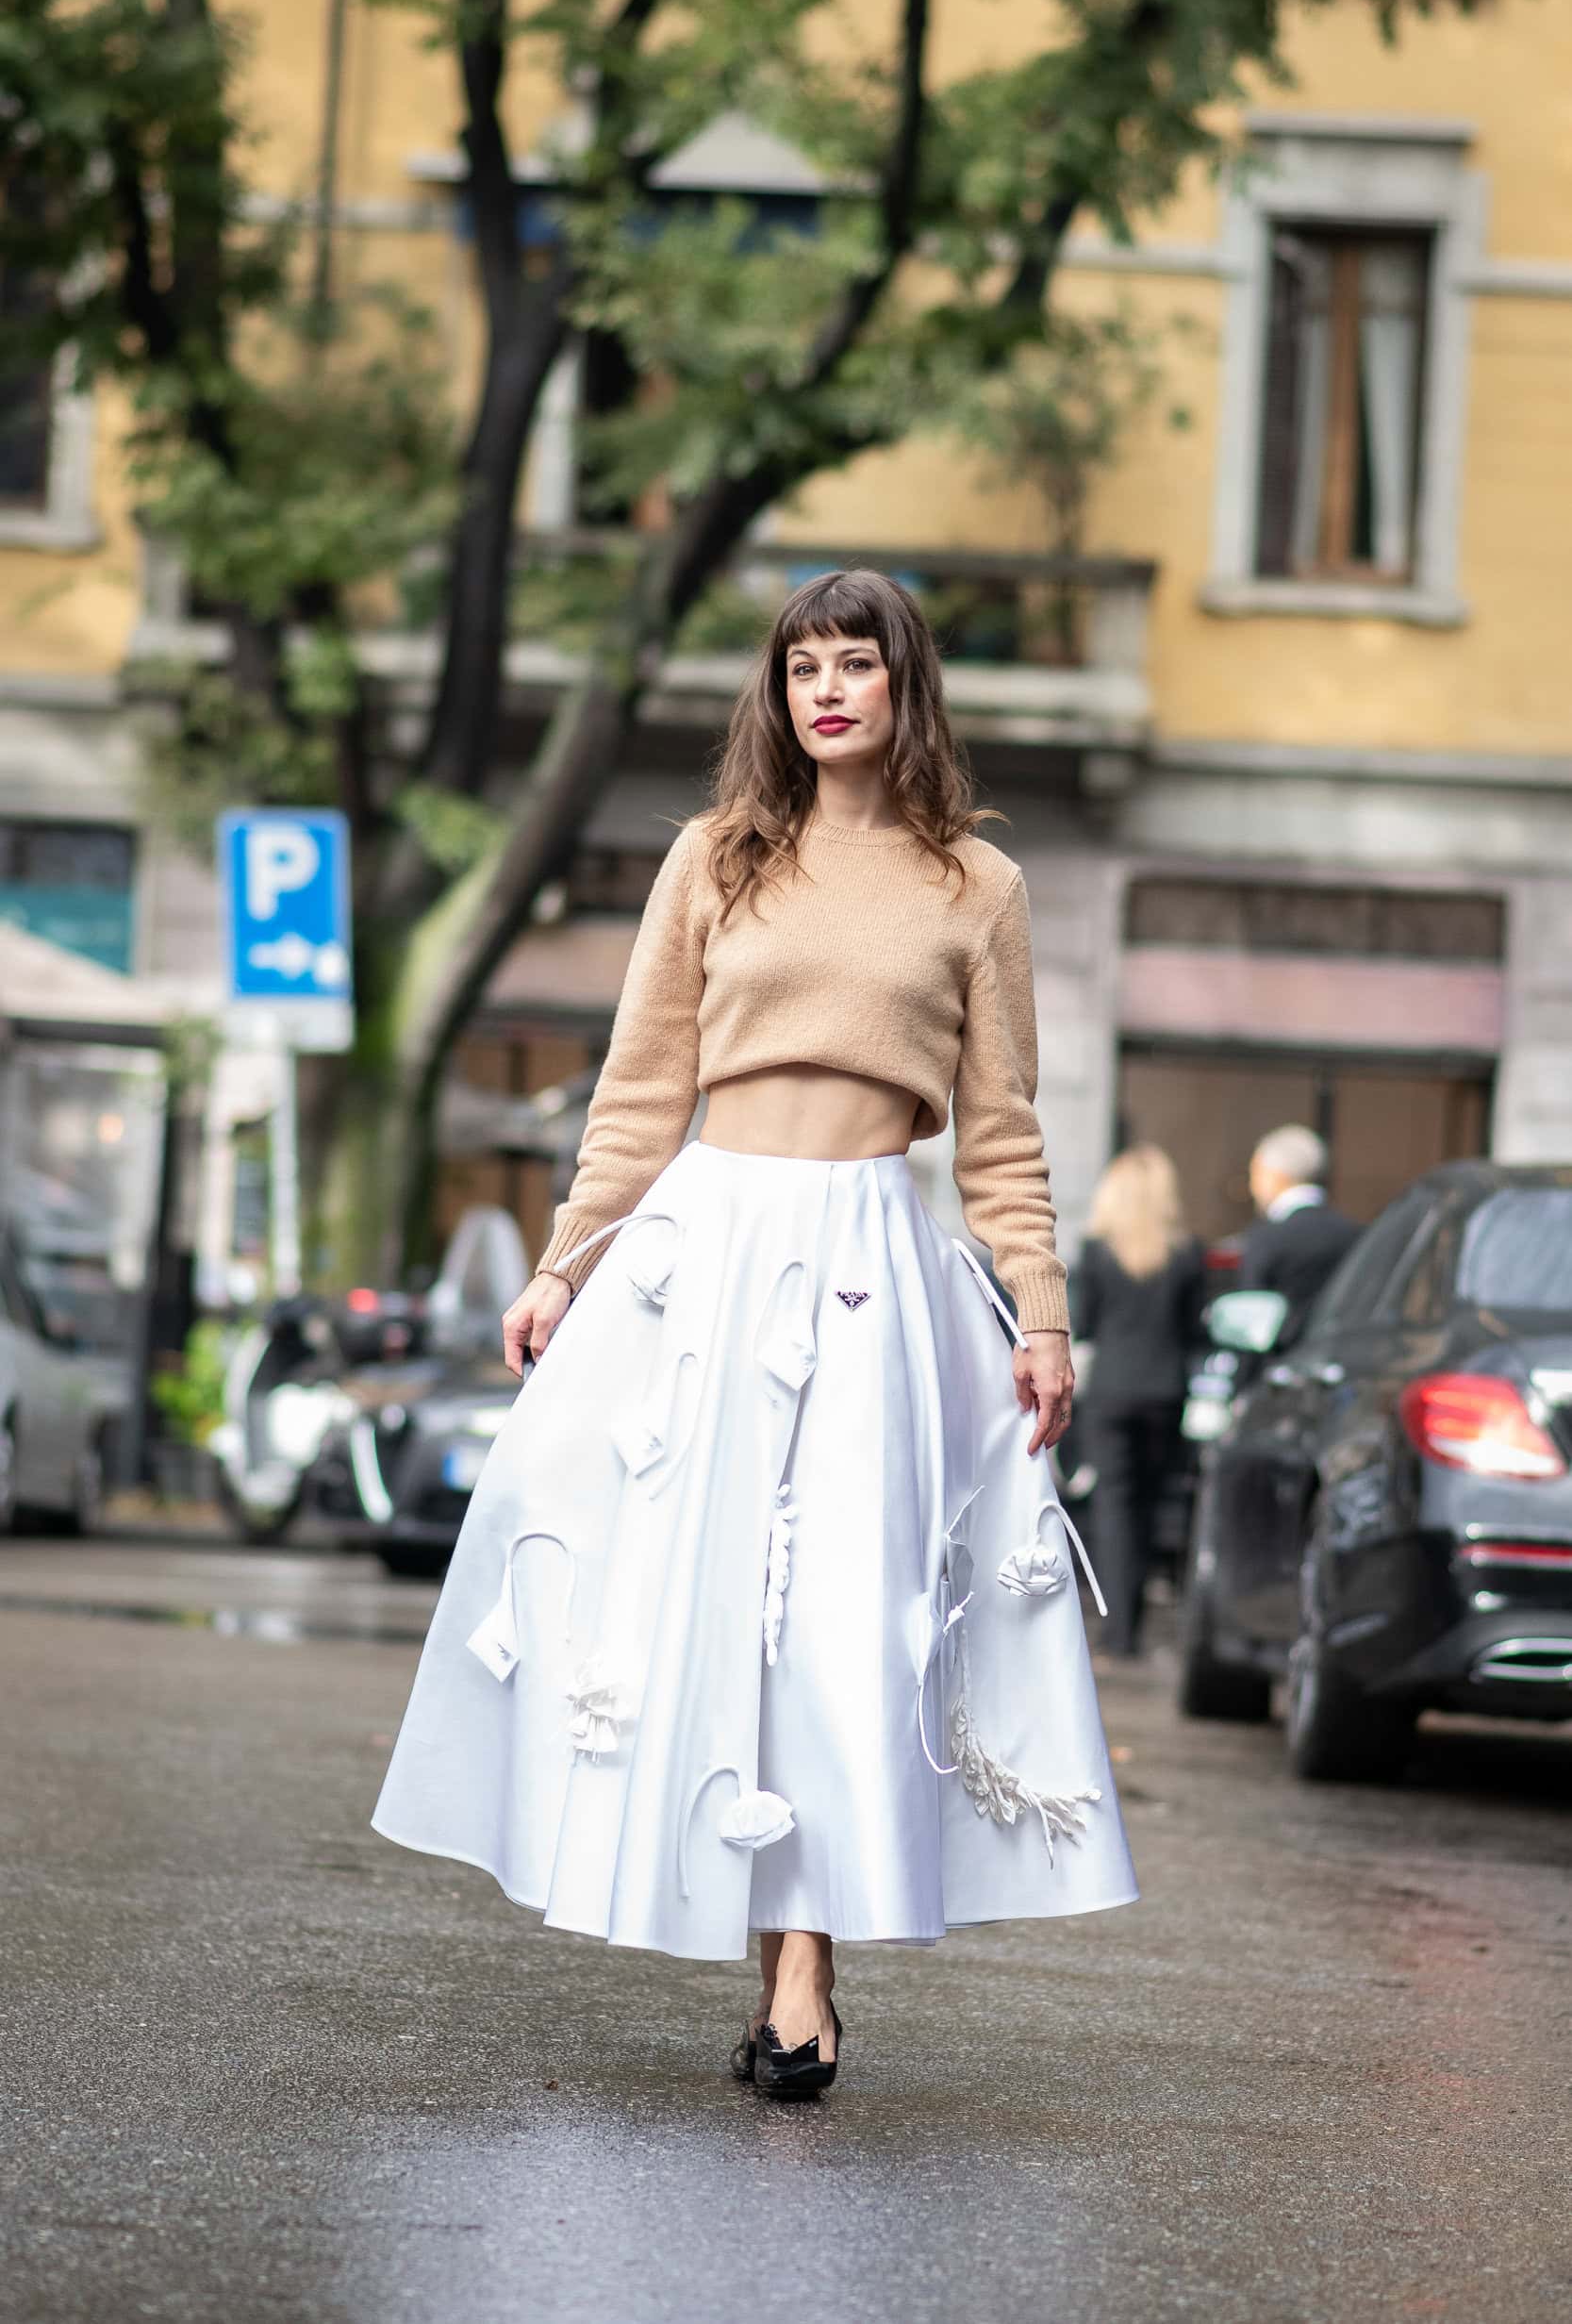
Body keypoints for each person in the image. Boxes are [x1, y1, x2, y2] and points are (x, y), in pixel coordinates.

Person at [372, 570, 1136, 2100]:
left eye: (856, 664)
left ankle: (802, 1976)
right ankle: (746, 1918)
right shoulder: (714, 858)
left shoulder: (975, 887)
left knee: (843, 1610)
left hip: (873, 1260)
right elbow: (640, 1087)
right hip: (703, 1255)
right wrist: (564, 1264)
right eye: (803, 668)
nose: (827, 691)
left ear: (904, 685)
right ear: (777, 694)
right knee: (698, 1594)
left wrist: (1040, 1314)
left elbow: (998, 1131)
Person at [1068, 1147, 1207, 1660]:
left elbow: (1084, 1325)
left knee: (1113, 1506)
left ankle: (1116, 1631)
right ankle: (1134, 1624)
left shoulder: (1096, 1251)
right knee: (1148, 1508)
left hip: (1111, 1392)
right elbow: (1194, 1330)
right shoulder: (1188, 1253)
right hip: (1165, 1393)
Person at [1236, 1124, 1361, 1347]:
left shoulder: (1268, 1238)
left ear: (1276, 1176)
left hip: (1280, 1358)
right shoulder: (1353, 1233)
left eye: (1255, 1173)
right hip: (1340, 1352)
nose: (1252, 1186)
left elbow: (1250, 1320)